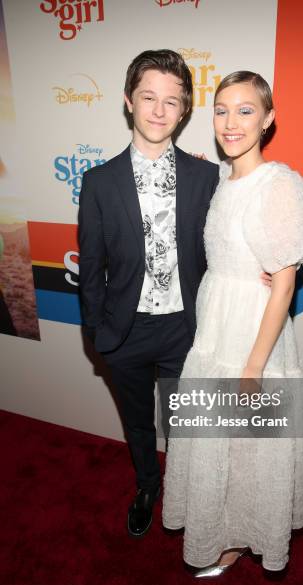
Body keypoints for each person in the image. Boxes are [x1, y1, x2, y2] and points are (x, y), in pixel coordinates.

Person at [162, 71, 303, 575]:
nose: (231, 122)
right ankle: (224, 530)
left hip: (254, 337)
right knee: (218, 444)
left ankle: (246, 537)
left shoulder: (282, 184)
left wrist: (253, 369)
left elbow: (284, 284)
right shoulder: (224, 183)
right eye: (222, 110)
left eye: (246, 110)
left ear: (268, 119)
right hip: (216, 327)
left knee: (249, 448)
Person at [78, 49, 219, 538]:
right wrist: (97, 329)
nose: (159, 111)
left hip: (187, 329)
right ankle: (146, 487)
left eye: (172, 101)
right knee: (138, 424)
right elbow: (90, 264)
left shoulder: (206, 177)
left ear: (184, 111)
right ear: (128, 101)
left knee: (185, 426)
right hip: (126, 332)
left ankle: (182, 494)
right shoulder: (98, 181)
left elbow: (222, 250)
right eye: (149, 97)